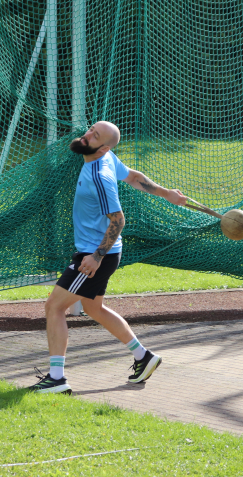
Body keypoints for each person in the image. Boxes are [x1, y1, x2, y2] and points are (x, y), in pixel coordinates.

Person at [28, 121, 187, 394]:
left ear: (103, 148)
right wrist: (167, 194)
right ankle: (143, 357)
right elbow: (134, 177)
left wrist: (96, 257)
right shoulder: (107, 158)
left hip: (95, 254)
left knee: (54, 307)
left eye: (95, 135)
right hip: (102, 252)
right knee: (94, 309)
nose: (87, 135)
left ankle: (57, 379)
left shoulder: (99, 176)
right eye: (91, 129)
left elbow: (118, 220)